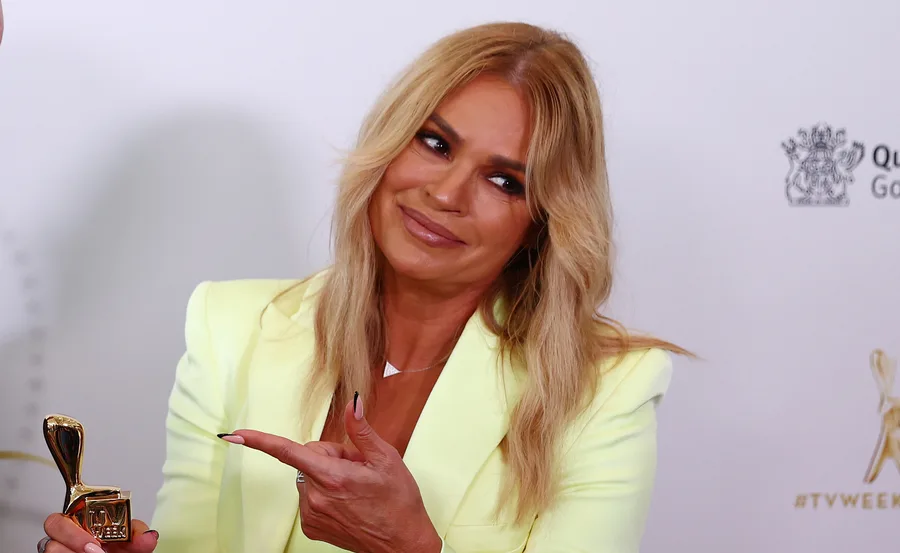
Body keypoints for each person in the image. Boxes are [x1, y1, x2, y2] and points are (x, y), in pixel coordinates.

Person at [38, 20, 690, 553]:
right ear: (388, 143)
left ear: (541, 223)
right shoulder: (228, 325)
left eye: (503, 181)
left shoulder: (607, 386)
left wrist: (409, 547)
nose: (444, 192)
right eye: (434, 143)